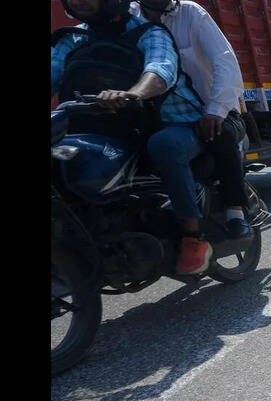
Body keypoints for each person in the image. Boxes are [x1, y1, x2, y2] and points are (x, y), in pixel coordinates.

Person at [51, 0, 212, 275]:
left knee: (165, 146)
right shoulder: (73, 39)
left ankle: (192, 237)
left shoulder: (149, 32)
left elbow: (160, 69)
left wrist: (133, 93)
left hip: (162, 122)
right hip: (98, 130)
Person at [134, 0, 252, 240]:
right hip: (161, 117)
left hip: (212, 111)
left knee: (219, 133)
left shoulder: (191, 13)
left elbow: (225, 61)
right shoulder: (129, 17)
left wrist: (215, 110)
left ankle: (235, 212)